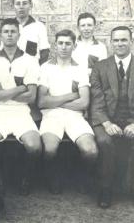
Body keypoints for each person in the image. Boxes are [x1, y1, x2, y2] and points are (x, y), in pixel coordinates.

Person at [90, 26, 134, 211]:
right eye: (116, 40)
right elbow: (96, 101)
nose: (120, 44)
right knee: (104, 141)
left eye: (124, 40)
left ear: (131, 41)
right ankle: (106, 188)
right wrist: (106, 122)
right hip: (107, 119)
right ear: (111, 42)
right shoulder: (100, 67)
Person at [0, 18, 42, 195]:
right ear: (0, 35)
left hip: (22, 113)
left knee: (34, 146)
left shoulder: (30, 60)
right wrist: (21, 87)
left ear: (18, 34)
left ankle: (26, 177)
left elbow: (31, 97)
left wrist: (4, 92)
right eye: (6, 31)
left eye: (12, 31)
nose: (9, 35)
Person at [37, 29, 98, 195]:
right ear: (55, 46)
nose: (64, 47)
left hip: (75, 117)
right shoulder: (45, 68)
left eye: (68, 43)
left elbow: (84, 102)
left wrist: (55, 101)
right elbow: (41, 101)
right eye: (60, 43)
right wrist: (71, 96)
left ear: (74, 45)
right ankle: (52, 176)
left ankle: (81, 177)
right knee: (49, 150)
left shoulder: (80, 69)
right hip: (51, 116)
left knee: (91, 151)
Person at [10, 0, 50, 65]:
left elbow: (44, 52)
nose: (21, 7)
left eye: (24, 3)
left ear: (31, 5)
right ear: (13, 6)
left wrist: (37, 70)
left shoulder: (39, 27)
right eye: (18, 4)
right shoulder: (9, 26)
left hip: (32, 72)